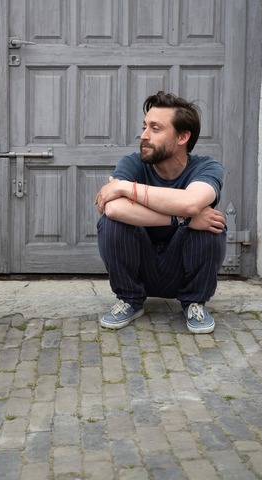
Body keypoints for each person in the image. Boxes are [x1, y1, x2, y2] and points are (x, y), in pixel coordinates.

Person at [95, 91, 226, 335]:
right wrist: (181, 219)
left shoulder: (207, 167)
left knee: (211, 223)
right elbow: (112, 207)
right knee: (111, 221)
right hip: (140, 264)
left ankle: (195, 302)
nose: (144, 136)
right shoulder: (132, 163)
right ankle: (130, 300)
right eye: (144, 127)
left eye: (155, 129)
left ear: (182, 137)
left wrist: (125, 188)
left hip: (181, 266)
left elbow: (191, 203)